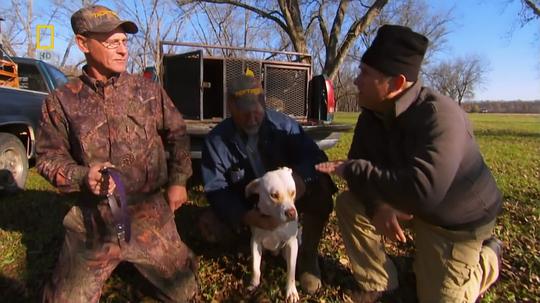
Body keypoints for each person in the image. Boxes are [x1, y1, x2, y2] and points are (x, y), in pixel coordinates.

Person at [316, 25, 503, 303]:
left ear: (395, 83)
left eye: (365, 74)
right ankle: (380, 283)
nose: (356, 81)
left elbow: (423, 191)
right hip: (408, 201)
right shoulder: (372, 113)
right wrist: (378, 206)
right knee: (350, 203)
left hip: (453, 223)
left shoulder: (440, 116)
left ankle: (488, 257)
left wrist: (356, 170)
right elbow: (359, 173)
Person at [36, 5, 197, 302]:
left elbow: (178, 133)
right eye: (113, 42)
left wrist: (179, 180)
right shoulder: (60, 101)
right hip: (93, 219)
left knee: (184, 291)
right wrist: (84, 177)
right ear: (83, 44)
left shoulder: (147, 91)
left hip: (149, 212)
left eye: (125, 42)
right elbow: (47, 159)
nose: (123, 50)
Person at [201, 70, 336, 294]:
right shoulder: (216, 141)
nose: (252, 118)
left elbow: (316, 158)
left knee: (321, 187)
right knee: (208, 223)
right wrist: (246, 216)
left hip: (289, 201)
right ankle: (251, 243)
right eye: (244, 113)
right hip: (249, 206)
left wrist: (300, 181)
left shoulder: (284, 126)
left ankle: (307, 255)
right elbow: (216, 190)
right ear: (230, 107)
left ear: (264, 102)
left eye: (256, 110)